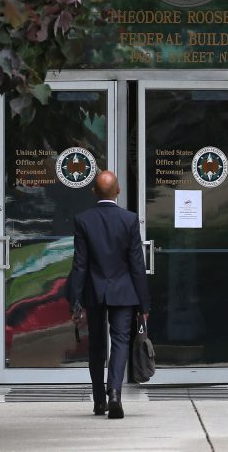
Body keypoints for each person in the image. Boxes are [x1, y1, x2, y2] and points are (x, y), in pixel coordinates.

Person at [67, 170, 150, 419]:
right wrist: (144, 303)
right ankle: (115, 393)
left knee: (96, 345)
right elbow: (137, 264)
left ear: (94, 192)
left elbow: (80, 265)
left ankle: (99, 400)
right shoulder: (129, 219)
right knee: (121, 341)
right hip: (124, 292)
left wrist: (75, 301)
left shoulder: (83, 220)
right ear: (119, 191)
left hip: (94, 291)